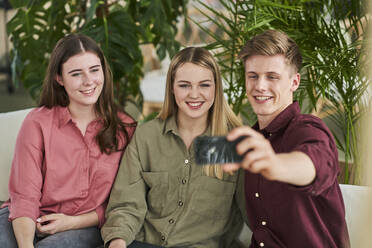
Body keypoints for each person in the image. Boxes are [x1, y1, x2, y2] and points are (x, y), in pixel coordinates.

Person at [0, 33, 136, 248]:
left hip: (86, 225)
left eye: (94, 70)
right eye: (76, 74)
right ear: (59, 79)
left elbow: (123, 203)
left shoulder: (125, 128)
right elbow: (24, 196)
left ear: (103, 71)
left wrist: (70, 222)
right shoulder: (38, 122)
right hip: (28, 217)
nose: (89, 81)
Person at [101, 47, 243, 248]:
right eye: (184, 85)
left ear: (216, 88)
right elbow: (126, 205)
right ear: (171, 88)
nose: (195, 94)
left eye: (204, 85)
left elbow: (254, 211)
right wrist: (118, 242)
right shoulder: (147, 137)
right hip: (142, 243)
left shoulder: (230, 143)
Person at [222, 29, 350, 247]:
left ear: (294, 82)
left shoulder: (309, 130)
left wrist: (275, 163)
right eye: (253, 76)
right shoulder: (251, 140)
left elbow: (315, 164)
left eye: (272, 77)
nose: (260, 86)